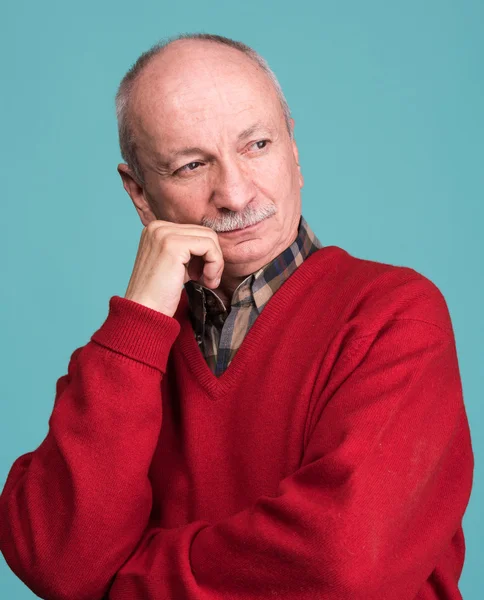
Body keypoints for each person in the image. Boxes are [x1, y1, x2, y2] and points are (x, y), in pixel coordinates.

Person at [0, 33, 474, 600]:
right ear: (140, 194)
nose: (234, 191)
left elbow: (339, 568)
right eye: (192, 164)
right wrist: (140, 321)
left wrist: (119, 585)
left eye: (257, 145)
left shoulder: (394, 315)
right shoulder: (131, 351)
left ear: (293, 150)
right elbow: (60, 562)